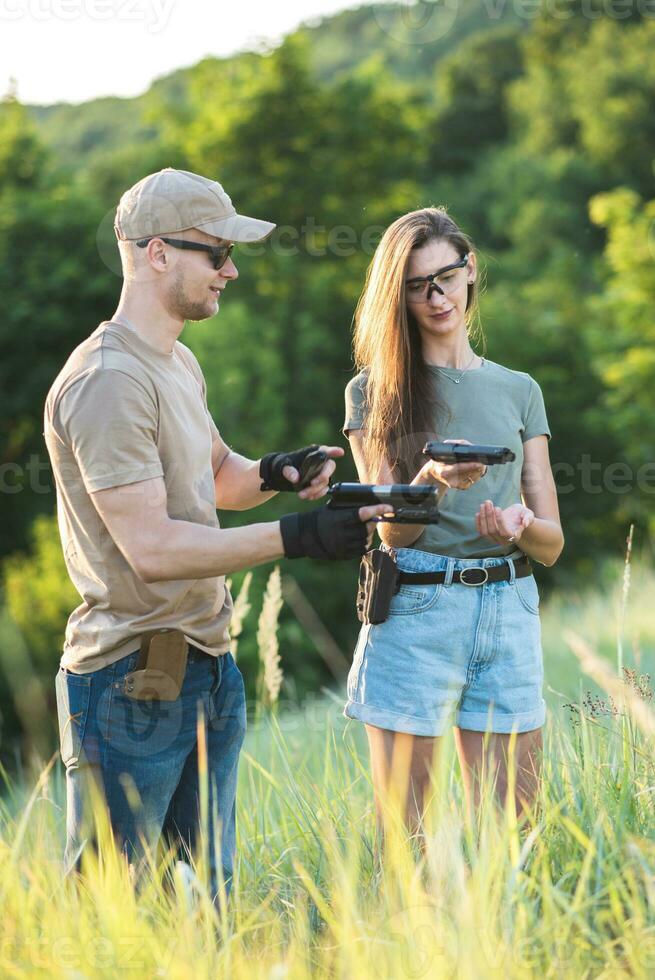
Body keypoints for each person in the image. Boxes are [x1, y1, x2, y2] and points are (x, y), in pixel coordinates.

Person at [44, 168, 388, 900]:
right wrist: (298, 537)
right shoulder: (107, 381)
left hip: (207, 663)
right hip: (128, 682)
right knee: (114, 915)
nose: (231, 270)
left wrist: (278, 473)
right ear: (156, 253)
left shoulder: (176, 360)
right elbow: (155, 551)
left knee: (204, 901)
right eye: (216, 253)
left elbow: (220, 478)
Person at [342, 206, 564, 838]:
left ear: (471, 273)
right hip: (417, 607)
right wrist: (431, 481)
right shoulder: (374, 391)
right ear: (400, 297)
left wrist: (519, 526)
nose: (438, 296)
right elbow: (393, 532)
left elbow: (552, 543)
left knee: (514, 835)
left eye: (447, 276)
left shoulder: (520, 390)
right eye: (418, 285)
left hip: (509, 603)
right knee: (406, 841)